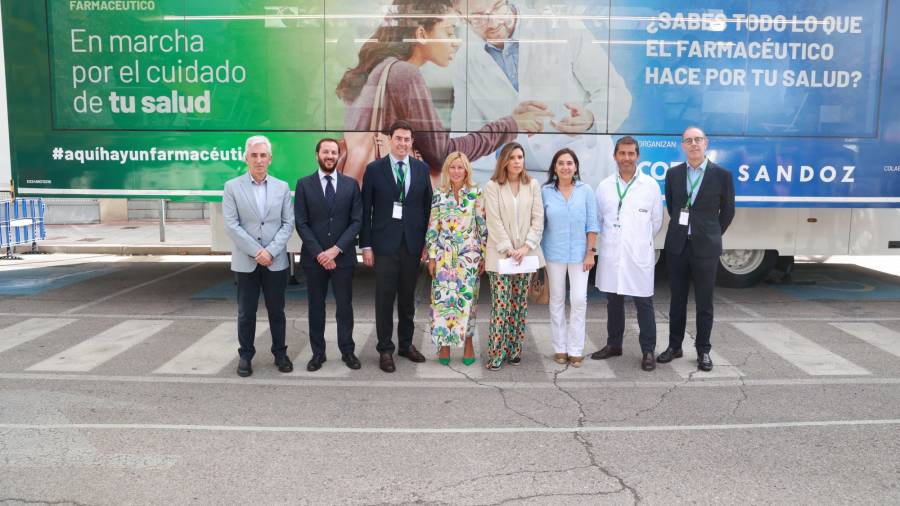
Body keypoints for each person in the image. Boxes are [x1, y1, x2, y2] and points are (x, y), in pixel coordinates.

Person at [337, 0, 551, 187]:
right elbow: (442, 154)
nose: (456, 42)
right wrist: (510, 125)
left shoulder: (383, 68)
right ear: (421, 34)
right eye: (449, 31)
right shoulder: (405, 74)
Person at [449, 0, 632, 187]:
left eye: (497, 8)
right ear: (461, 17)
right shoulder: (464, 61)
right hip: (521, 178)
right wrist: (505, 138)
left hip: (583, 168)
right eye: (478, 18)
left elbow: (615, 92)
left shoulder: (561, 27)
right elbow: (464, 137)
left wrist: (591, 119)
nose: (494, 22)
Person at [659, 127, 736, 372]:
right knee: (677, 300)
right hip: (678, 246)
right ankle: (675, 346)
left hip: (706, 247)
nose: (693, 144)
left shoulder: (722, 175)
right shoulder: (673, 174)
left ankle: (703, 350)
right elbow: (673, 207)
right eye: (689, 140)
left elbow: (728, 211)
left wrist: (711, 233)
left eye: (698, 140)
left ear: (706, 144)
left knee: (705, 303)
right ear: (683, 145)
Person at [360, 120, 433, 373]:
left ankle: (405, 344)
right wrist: (366, 246)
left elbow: (427, 210)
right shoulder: (374, 169)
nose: (403, 143)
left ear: (412, 142)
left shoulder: (421, 170)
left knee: (407, 299)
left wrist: (426, 244)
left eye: (407, 139)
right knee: (384, 298)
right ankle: (385, 349)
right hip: (384, 246)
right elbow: (365, 210)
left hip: (412, 245)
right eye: (398, 138)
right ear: (390, 139)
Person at [222, 135, 295, 377]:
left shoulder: (282, 187)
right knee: (246, 312)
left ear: (270, 159)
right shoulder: (232, 187)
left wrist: (270, 251)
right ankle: (245, 356)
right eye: (254, 155)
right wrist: (257, 252)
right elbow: (232, 226)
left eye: (263, 155)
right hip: (246, 262)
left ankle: (280, 354)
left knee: (277, 311)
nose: (259, 160)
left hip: (276, 262)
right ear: (246, 158)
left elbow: (288, 223)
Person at [590, 136, 664, 371]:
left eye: (631, 153)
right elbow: (600, 220)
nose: (626, 158)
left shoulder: (650, 185)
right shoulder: (604, 186)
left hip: (638, 254)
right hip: (613, 254)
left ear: (638, 156)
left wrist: (636, 241)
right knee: (614, 301)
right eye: (622, 153)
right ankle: (614, 345)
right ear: (615, 156)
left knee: (644, 302)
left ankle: (648, 350)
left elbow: (656, 222)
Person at [294, 138, 363, 372]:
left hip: (342, 258)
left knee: (345, 306)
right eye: (326, 152)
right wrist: (320, 253)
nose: (330, 156)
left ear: (339, 156)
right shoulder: (304, 185)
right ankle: (318, 353)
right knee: (316, 306)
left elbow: (356, 221)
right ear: (317, 155)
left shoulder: (351, 184)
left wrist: (336, 250)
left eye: (334, 152)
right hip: (314, 260)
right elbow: (301, 223)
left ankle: (348, 351)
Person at [483, 142, 544, 370]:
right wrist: (509, 248)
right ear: (504, 162)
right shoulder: (492, 186)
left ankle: (515, 350)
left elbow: (538, 219)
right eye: (513, 157)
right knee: (501, 305)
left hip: (525, 255)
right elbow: (494, 220)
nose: (518, 161)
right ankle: (496, 353)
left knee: (519, 305)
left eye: (520, 157)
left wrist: (526, 247)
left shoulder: (533, 185)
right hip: (501, 255)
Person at [425, 152, 487, 366]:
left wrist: (484, 255)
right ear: (447, 170)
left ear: (466, 170)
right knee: (443, 302)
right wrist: (432, 258)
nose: (456, 171)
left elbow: (482, 225)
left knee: (469, 302)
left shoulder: (475, 193)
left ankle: (468, 342)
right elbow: (433, 227)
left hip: (469, 257)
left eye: (460, 167)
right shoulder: (439, 194)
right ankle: (444, 345)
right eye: (453, 167)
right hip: (444, 257)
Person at [540, 148, 599, 367]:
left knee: (579, 300)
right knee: (556, 300)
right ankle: (560, 348)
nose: (565, 167)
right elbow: (540, 224)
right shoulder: (545, 191)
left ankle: (576, 349)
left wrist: (590, 253)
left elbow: (592, 224)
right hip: (553, 254)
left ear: (576, 167)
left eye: (569, 163)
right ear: (554, 168)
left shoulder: (586, 191)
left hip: (580, 256)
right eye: (561, 163)